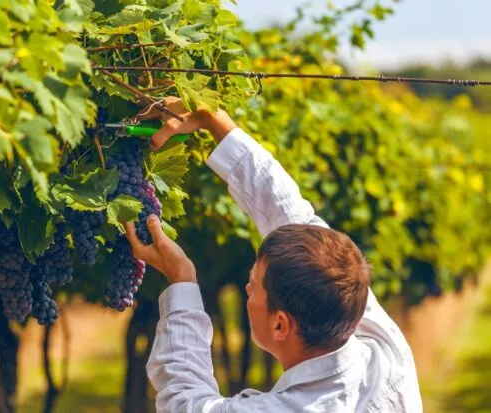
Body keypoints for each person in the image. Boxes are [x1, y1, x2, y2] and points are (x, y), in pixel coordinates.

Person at [124, 98, 423, 412]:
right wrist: (215, 121)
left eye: (255, 285)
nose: (247, 289)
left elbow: (184, 404)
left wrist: (181, 280)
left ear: (281, 325)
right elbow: (293, 217)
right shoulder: (384, 355)